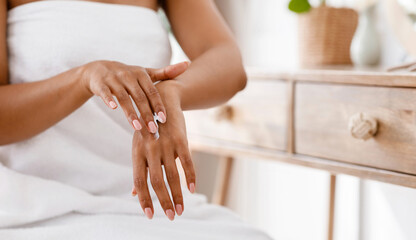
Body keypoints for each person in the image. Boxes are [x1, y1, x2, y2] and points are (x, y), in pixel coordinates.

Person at [0, 0, 271, 239]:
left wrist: (171, 92)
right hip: (36, 206)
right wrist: (83, 78)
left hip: (150, 209)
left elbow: (229, 63)